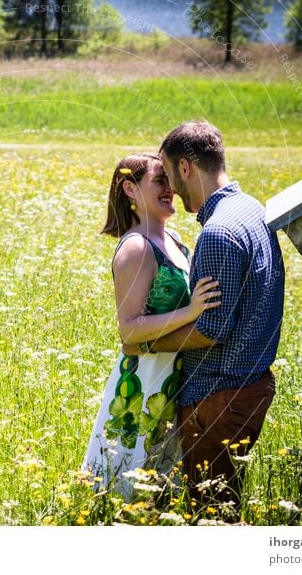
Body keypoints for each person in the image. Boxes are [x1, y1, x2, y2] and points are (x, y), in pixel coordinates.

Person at [125, 121, 285, 511]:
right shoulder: (250, 208)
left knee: (209, 511)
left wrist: (148, 343)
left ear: (185, 168)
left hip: (219, 394)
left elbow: (210, 329)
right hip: (247, 384)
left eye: (170, 173)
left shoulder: (217, 232)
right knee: (223, 502)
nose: (172, 190)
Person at [82, 153, 221, 499]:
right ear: (130, 189)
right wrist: (191, 312)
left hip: (173, 380)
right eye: (159, 181)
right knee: (126, 488)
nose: (170, 189)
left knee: (164, 488)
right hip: (143, 383)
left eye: (170, 181)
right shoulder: (135, 248)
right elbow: (129, 329)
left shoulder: (171, 239)